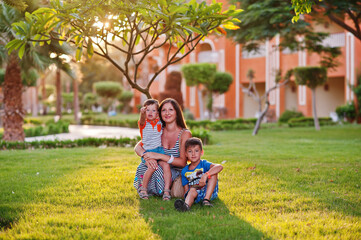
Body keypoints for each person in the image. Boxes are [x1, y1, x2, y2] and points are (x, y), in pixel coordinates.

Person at [133, 98, 192, 200]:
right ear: (159, 114)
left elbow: (182, 163)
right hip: (158, 163)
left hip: (175, 169)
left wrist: (158, 155)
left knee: (157, 169)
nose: (167, 113)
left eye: (171, 110)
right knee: (148, 165)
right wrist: (147, 156)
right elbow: (138, 146)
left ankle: (164, 191)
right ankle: (145, 189)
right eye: (164, 110)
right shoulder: (159, 130)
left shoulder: (185, 134)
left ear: (177, 113)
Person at [174, 137, 223, 212]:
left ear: (201, 152)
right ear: (186, 154)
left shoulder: (204, 164)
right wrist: (187, 197)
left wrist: (205, 175)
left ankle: (206, 201)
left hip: (208, 191)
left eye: (196, 151)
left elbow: (219, 166)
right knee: (191, 190)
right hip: (195, 193)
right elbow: (186, 189)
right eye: (190, 151)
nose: (193, 154)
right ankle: (186, 206)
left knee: (213, 174)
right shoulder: (185, 171)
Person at [137, 99, 172, 200]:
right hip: (148, 152)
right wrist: (142, 113)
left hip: (159, 150)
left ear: (157, 113)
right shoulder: (143, 124)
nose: (150, 113)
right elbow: (142, 119)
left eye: (153, 110)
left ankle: (166, 191)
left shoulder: (159, 122)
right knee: (152, 167)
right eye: (148, 110)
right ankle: (143, 189)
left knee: (166, 165)